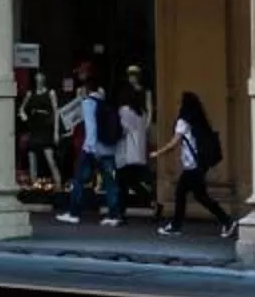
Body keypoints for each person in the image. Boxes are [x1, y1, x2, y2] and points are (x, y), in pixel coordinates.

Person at [154, 88, 238, 239]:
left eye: (180, 102)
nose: (178, 104)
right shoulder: (198, 121)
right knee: (198, 195)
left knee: (184, 194)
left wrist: (158, 153)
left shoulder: (183, 121)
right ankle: (224, 220)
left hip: (192, 166)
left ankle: (177, 226)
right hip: (198, 165)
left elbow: (174, 143)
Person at [56, 61, 123, 226]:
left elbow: (91, 128)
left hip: (93, 148)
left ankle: (73, 212)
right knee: (109, 181)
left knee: (78, 179)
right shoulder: (105, 102)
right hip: (108, 147)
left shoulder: (88, 103)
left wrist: (89, 149)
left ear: (86, 89)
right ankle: (114, 215)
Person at [19, 71, 62, 192]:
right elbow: (22, 108)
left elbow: (56, 111)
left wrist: (56, 131)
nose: (39, 81)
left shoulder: (50, 93)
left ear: (44, 80)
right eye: (37, 79)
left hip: (46, 128)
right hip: (34, 128)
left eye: (41, 79)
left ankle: (58, 184)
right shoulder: (30, 93)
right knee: (32, 158)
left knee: (50, 158)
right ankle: (34, 186)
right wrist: (24, 115)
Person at [118, 68, 153, 209]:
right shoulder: (126, 96)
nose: (132, 78)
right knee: (130, 171)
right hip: (131, 136)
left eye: (134, 75)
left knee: (130, 171)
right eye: (130, 75)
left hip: (136, 134)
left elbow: (149, 110)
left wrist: (147, 127)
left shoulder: (145, 92)